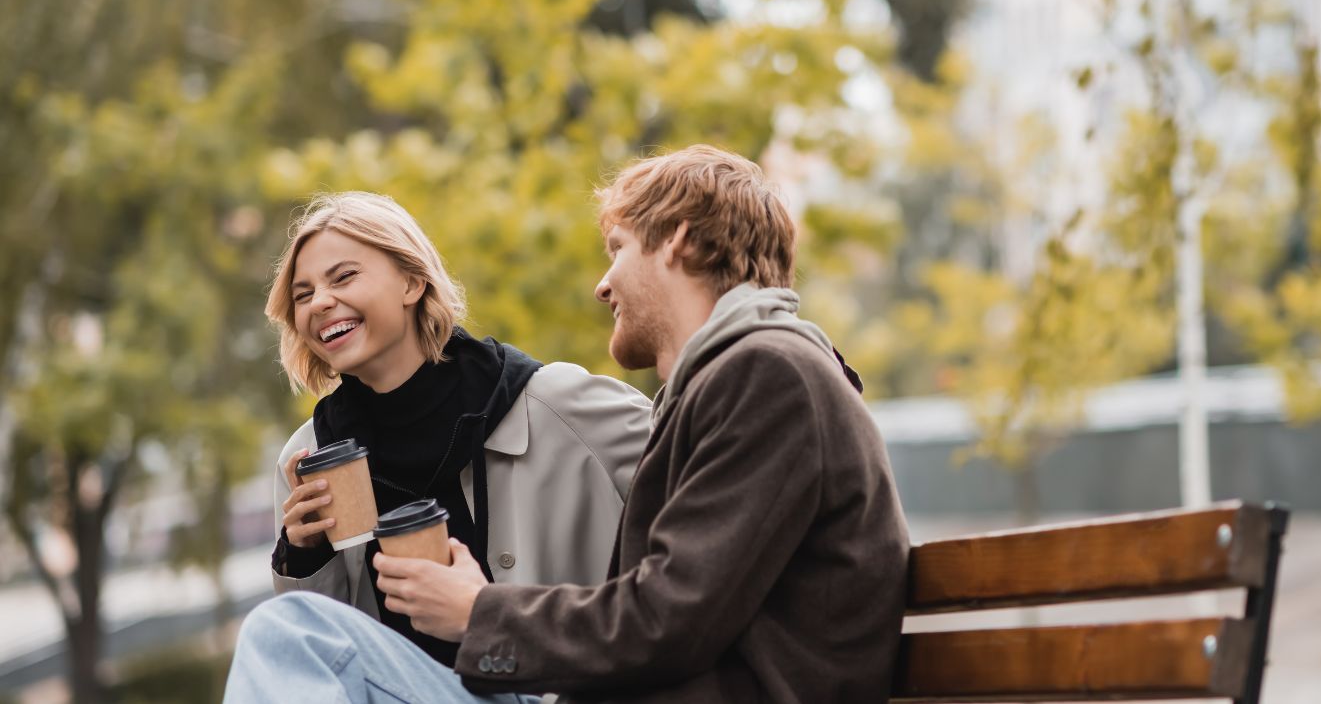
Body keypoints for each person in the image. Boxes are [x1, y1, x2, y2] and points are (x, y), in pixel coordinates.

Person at [224, 147, 910, 703]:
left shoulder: (766, 376)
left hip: (541, 685)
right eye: (304, 293)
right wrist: (301, 552)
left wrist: (476, 613)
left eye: (617, 249)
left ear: (677, 242)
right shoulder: (733, 383)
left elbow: (669, 618)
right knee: (294, 631)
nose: (602, 283)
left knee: (290, 636)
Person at [260, 191, 651, 672]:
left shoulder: (559, 403)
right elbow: (319, 656)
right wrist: (303, 556)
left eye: (344, 277)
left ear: (411, 282)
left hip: (556, 688)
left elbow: (708, 491)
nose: (320, 302)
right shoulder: (308, 458)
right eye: (303, 295)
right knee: (268, 632)